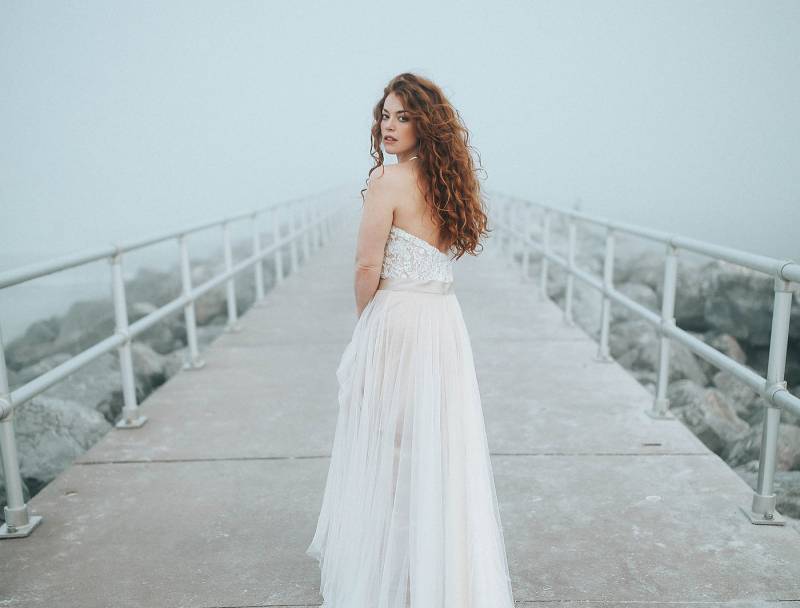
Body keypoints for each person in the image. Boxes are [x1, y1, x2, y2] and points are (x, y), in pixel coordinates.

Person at [306, 72, 515, 607]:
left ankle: (393, 577)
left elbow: (365, 263)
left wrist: (365, 324)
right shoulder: (451, 182)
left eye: (403, 115)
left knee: (390, 445)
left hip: (398, 318)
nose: (389, 125)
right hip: (443, 320)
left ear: (425, 124)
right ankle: (437, 572)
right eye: (386, 114)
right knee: (439, 445)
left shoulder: (387, 181)